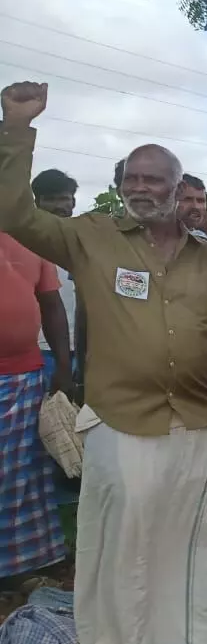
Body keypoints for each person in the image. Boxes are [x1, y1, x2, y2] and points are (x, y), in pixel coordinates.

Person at [0, 81, 207, 644]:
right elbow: (14, 214)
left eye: (154, 179)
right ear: (121, 184)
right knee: (124, 550)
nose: (143, 187)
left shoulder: (206, 261)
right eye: (132, 178)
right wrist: (17, 127)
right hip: (122, 422)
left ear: (175, 188)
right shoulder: (89, 237)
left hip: (200, 424)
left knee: (200, 545)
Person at [0, 227, 68, 583]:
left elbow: (52, 306)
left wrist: (63, 369)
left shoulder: (31, 238)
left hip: (23, 375)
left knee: (21, 473)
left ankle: (23, 563)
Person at [28, 169, 74, 395]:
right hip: (41, 352)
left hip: (87, 351)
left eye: (63, 198)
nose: (58, 206)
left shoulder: (86, 242)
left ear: (73, 201)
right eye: (50, 199)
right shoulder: (25, 242)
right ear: (37, 202)